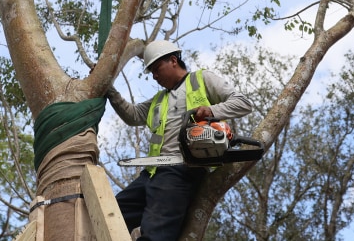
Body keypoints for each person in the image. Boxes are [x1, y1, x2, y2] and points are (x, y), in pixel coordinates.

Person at [105, 40, 253, 241]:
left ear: (173, 60)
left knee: (155, 234)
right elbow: (132, 115)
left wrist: (211, 111)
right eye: (152, 73)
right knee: (110, 215)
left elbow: (243, 103)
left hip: (182, 169)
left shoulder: (201, 80)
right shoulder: (159, 100)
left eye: (157, 69)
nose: (155, 76)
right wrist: (109, 90)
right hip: (152, 172)